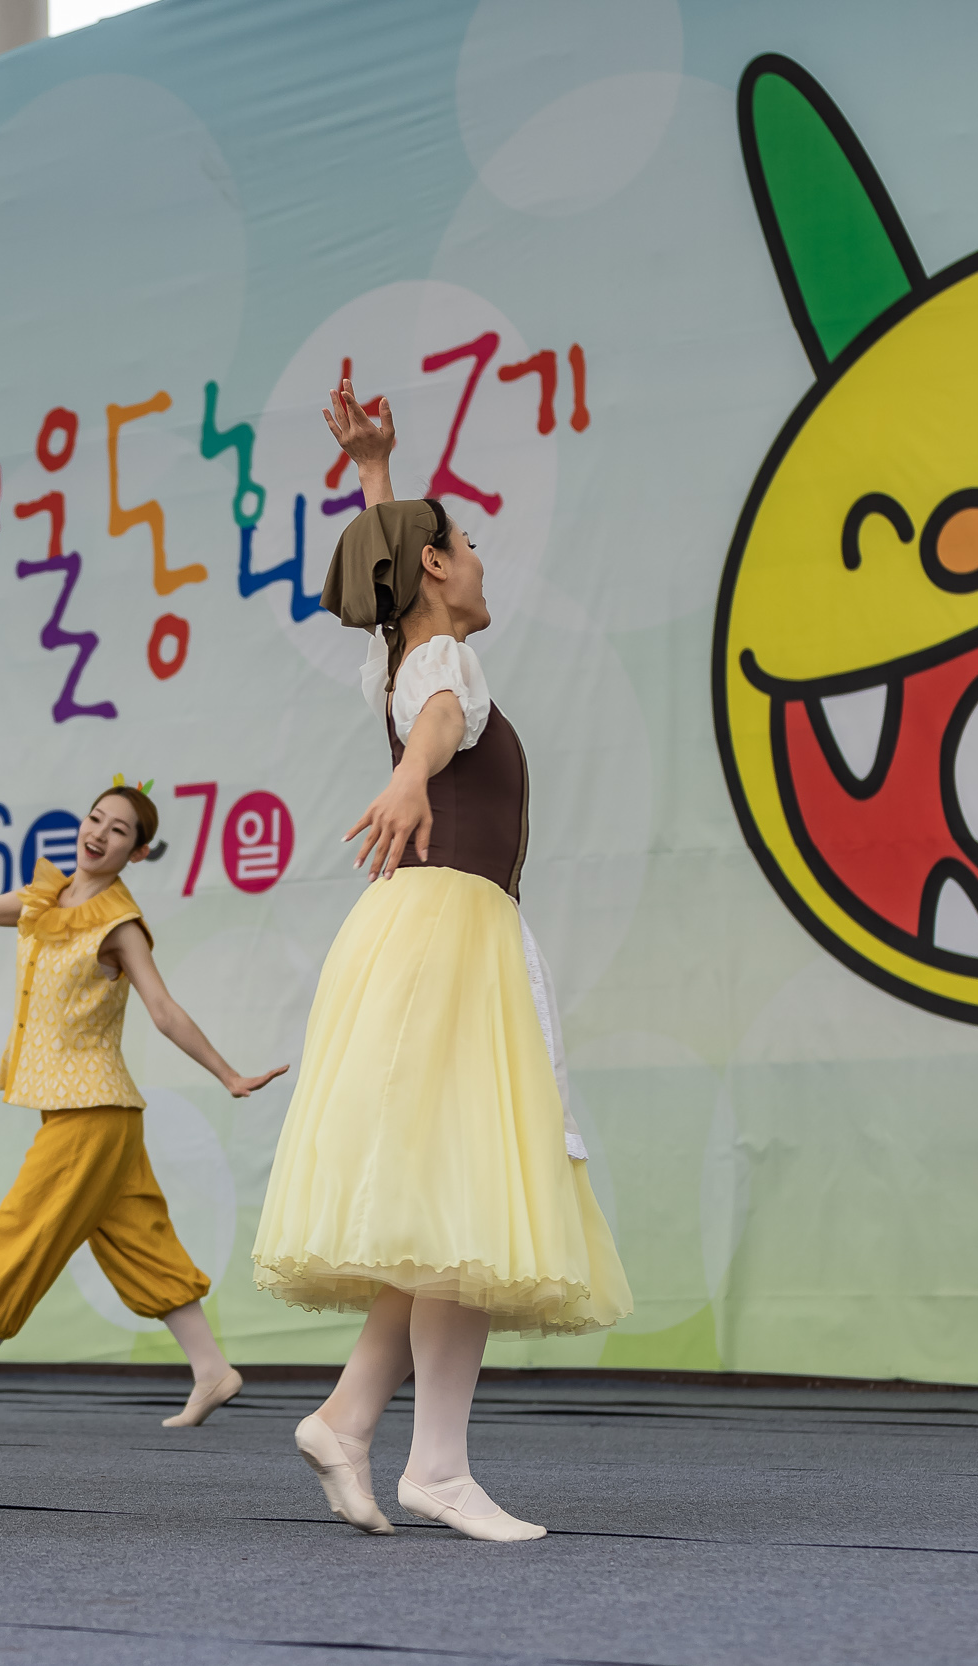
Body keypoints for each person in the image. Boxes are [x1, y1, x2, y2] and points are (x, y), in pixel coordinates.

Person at [248, 382, 630, 1541]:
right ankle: (440, 1466)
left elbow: (398, 641)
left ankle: (350, 1417)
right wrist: (414, 772)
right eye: (462, 545)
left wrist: (376, 475)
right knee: (464, 1185)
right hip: (448, 935)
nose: (477, 560)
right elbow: (438, 717)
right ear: (431, 570)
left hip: (429, 932)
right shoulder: (441, 677)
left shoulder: (401, 656)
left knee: (439, 1199)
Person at [0, 781, 284, 1427]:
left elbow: (162, 1009)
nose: (98, 832)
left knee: (23, 1228)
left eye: (119, 829)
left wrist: (228, 1074)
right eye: (95, 818)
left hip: (93, 1110)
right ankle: (213, 1369)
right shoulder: (47, 899)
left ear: (138, 850)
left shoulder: (119, 924)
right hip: (87, 1111)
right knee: (137, 1238)